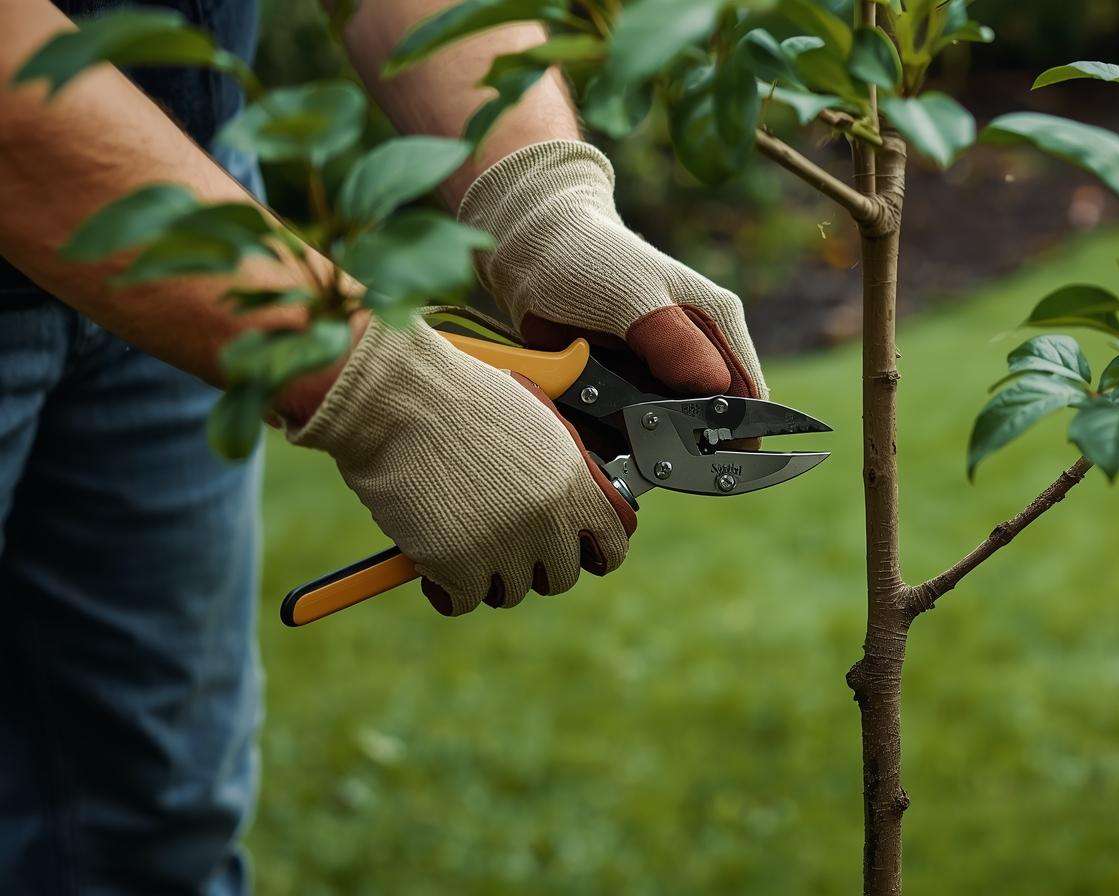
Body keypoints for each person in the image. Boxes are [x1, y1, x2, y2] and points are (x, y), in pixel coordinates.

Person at [0, 0, 766, 891]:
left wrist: (542, 199)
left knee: (154, 820)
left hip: (188, 211)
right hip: (161, 228)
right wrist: (372, 385)